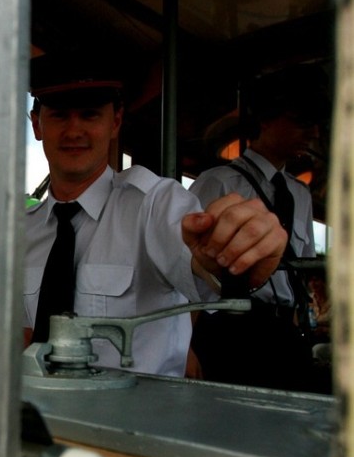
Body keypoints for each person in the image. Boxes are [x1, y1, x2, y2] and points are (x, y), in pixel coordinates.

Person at [24, 61, 288, 377]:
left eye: (90, 114)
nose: (74, 130)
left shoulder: (155, 204)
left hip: (132, 419)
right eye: (59, 115)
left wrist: (232, 256)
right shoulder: (20, 231)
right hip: (36, 416)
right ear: (37, 125)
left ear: (115, 122)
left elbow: (204, 267)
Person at [189, 67, 329, 391]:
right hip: (230, 327)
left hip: (282, 328)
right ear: (266, 120)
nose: (312, 135)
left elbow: (301, 270)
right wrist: (185, 344)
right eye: (301, 123)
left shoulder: (300, 194)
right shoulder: (219, 183)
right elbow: (187, 268)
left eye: (315, 125)